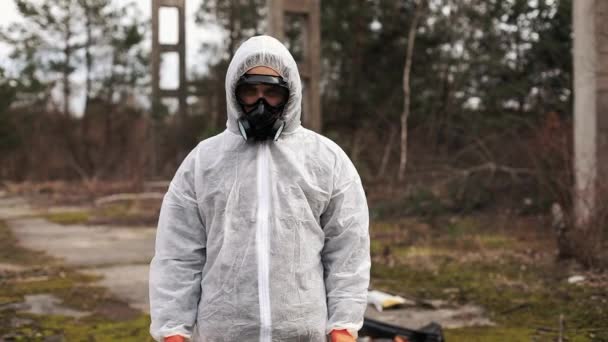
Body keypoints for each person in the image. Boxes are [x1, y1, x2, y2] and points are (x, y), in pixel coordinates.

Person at [149, 35, 370, 342]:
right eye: (250, 91)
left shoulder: (326, 160)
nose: (261, 102)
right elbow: (177, 254)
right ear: (233, 94)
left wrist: (343, 326)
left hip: (303, 334)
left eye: (272, 92)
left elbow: (349, 250)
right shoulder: (203, 162)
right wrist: (173, 330)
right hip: (223, 334)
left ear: (289, 94)